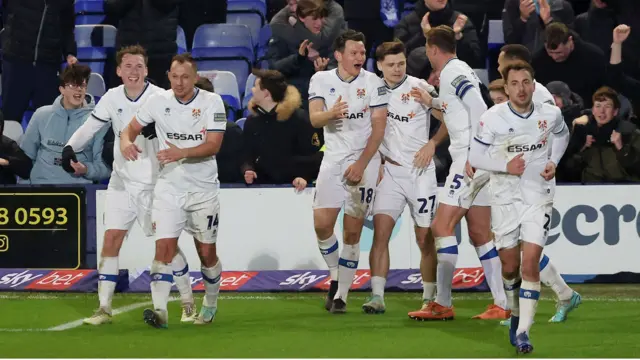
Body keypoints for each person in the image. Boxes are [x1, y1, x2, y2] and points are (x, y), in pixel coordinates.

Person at [63, 46, 196, 325]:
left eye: (139, 66)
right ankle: (104, 308)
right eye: (128, 66)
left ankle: (187, 301)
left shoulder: (161, 98)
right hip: (121, 181)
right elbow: (91, 127)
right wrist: (69, 148)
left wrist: (159, 130)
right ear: (118, 71)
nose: (133, 71)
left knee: (167, 247)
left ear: (147, 71)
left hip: (156, 183)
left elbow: (182, 137)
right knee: (111, 239)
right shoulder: (112, 97)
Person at [408, 25, 509, 321]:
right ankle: (501, 303)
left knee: (441, 227)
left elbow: (479, 107)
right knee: (479, 232)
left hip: (468, 157)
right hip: (478, 157)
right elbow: (460, 106)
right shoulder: (459, 70)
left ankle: (442, 302)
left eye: (427, 50)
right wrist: (433, 102)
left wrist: (477, 151)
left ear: (432, 49)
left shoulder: (452, 72)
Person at [469, 61, 570, 353]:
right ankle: (515, 312)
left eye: (526, 82)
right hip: (504, 198)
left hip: (538, 195)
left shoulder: (549, 113)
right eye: (514, 83)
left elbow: (562, 135)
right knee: (510, 267)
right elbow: (476, 156)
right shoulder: (493, 118)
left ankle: (524, 331)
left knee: (530, 263)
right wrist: (505, 165)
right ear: (506, 86)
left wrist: (553, 161)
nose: (521, 89)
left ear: (533, 83)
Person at [120, 53, 226, 328]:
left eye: (185, 77)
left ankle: (211, 303)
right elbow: (129, 129)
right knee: (163, 248)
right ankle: (160, 312)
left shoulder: (211, 102)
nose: (179, 82)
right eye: (174, 76)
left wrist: (182, 153)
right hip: (168, 187)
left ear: (195, 77)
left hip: (203, 190)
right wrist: (125, 142)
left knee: (207, 254)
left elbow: (214, 145)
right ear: (168, 75)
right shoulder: (157, 102)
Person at [498, 43, 582, 325]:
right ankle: (564, 295)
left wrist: (552, 162)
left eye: (502, 63)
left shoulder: (540, 96)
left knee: (527, 253)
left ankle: (532, 310)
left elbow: (554, 132)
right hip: (512, 180)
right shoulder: (514, 98)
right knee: (522, 252)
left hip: (536, 181)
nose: (498, 68)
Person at [361, 41, 447, 315]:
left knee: (425, 239)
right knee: (381, 234)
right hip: (390, 172)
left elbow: (448, 116)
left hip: (421, 173)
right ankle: (377, 296)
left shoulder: (420, 86)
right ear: (379, 66)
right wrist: (377, 160)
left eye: (401, 63)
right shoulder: (371, 90)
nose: (397, 69)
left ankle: (429, 297)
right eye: (391, 65)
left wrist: (432, 143)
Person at [308, 29, 389, 313]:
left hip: (363, 159)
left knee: (352, 232)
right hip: (333, 158)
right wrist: (332, 114)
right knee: (321, 225)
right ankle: (334, 275)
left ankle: (341, 294)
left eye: (362, 52)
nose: (360, 57)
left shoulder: (374, 83)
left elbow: (379, 128)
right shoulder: (321, 79)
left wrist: (363, 164)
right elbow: (315, 118)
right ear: (339, 56)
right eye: (354, 52)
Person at [20, 64, 111, 185]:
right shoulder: (41, 115)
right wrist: (24, 190)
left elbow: (105, 168)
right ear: (62, 89)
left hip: (78, 191)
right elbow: (25, 158)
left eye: (82, 85)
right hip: (40, 188)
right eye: (73, 85)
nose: (79, 89)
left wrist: (85, 169)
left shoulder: (98, 121)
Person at [242, 69, 322, 188]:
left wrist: (303, 176)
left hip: (297, 189)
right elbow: (246, 154)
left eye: (255, 87)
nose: (252, 90)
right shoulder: (251, 121)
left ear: (266, 93)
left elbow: (315, 156)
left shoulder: (300, 119)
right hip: (260, 189)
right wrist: (248, 169)